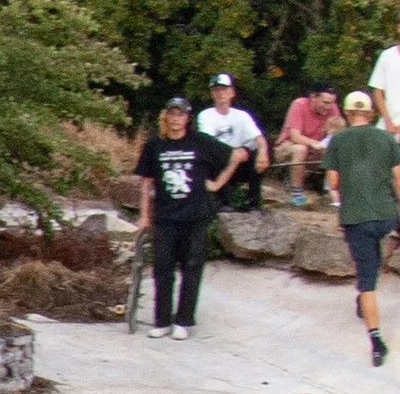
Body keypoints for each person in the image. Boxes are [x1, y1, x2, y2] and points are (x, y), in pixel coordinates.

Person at [133, 96, 244, 336]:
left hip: (195, 216)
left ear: (188, 117)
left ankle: (183, 321)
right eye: (172, 114)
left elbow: (237, 155)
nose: (176, 119)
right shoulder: (155, 145)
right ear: (166, 116)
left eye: (181, 114)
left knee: (191, 268)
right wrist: (144, 216)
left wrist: (216, 185)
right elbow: (146, 183)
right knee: (162, 269)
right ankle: (162, 321)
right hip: (165, 216)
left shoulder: (200, 142)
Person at [327, 89, 400, 368]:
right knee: (377, 251)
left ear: (348, 114)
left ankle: (376, 340)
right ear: (371, 112)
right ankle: (364, 296)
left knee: (366, 279)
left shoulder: (338, 141)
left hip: (356, 217)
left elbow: (334, 182)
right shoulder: (385, 138)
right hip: (385, 215)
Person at [195, 73, 269, 211]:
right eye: (216, 90)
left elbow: (258, 138)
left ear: (232, 92)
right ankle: (224, 202)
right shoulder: (205, 115)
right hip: (217, 165)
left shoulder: (242, 115)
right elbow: (208, 142)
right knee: (214, 155)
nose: (220, 93)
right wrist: (234, 152)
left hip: (240, 163)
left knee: (260, 152)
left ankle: (253, 201)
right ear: (211, 93)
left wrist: (263, 152)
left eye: (224, 89)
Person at [274, 82, 343, 203]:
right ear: (313, 97)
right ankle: (297, 195)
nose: (329, 107)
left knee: (339, 150)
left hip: (317, 149)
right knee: (301, 149)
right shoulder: (299, 105)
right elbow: (294, 136)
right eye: (325, 102)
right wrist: (314, 143)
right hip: (289, 146)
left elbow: (337, 134)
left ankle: (334, 193)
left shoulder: (333, 108)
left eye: (332, 103)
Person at [374, 12, 400, 188]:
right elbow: (378, 89)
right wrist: (388, 120)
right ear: (398, 29)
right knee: (383, 178)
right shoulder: (387, 56)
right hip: (386, 129)